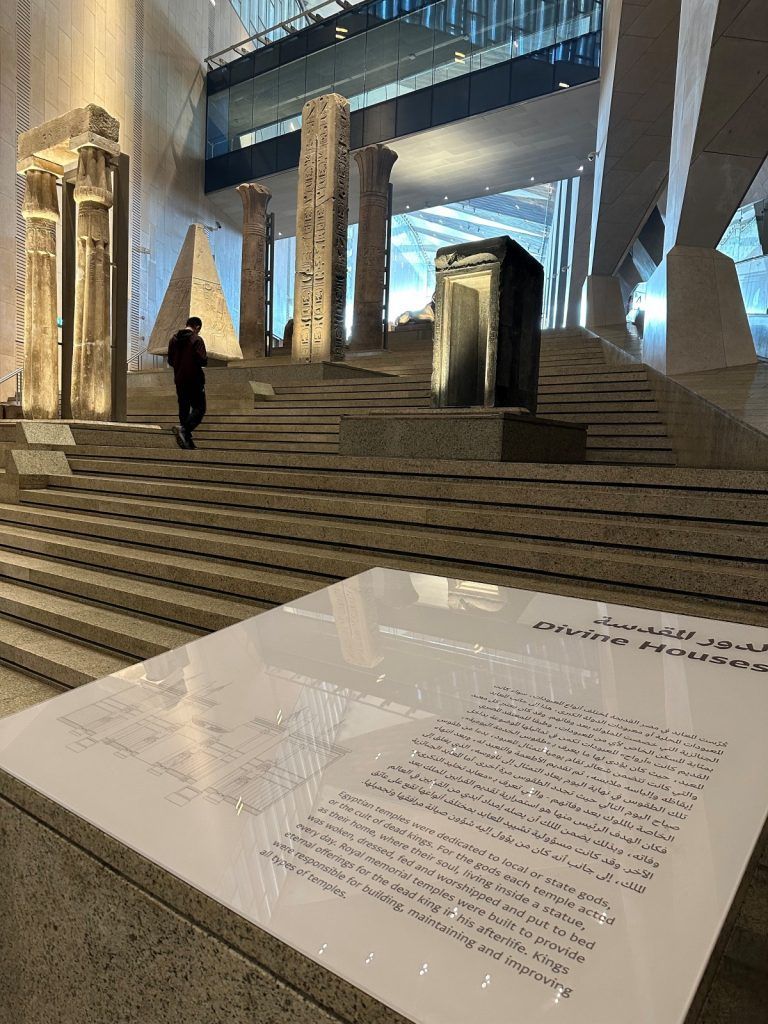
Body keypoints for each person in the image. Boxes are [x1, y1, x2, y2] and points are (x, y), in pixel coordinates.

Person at [167, 316, 207, 450]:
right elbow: (202, 360)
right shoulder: (196, 339)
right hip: (194, 379)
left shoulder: (173, 340)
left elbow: (170, 361)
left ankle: (187, 442)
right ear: (197, 327)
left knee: (184, 409)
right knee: (200, 408)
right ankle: (184, 429)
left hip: (179, 379)